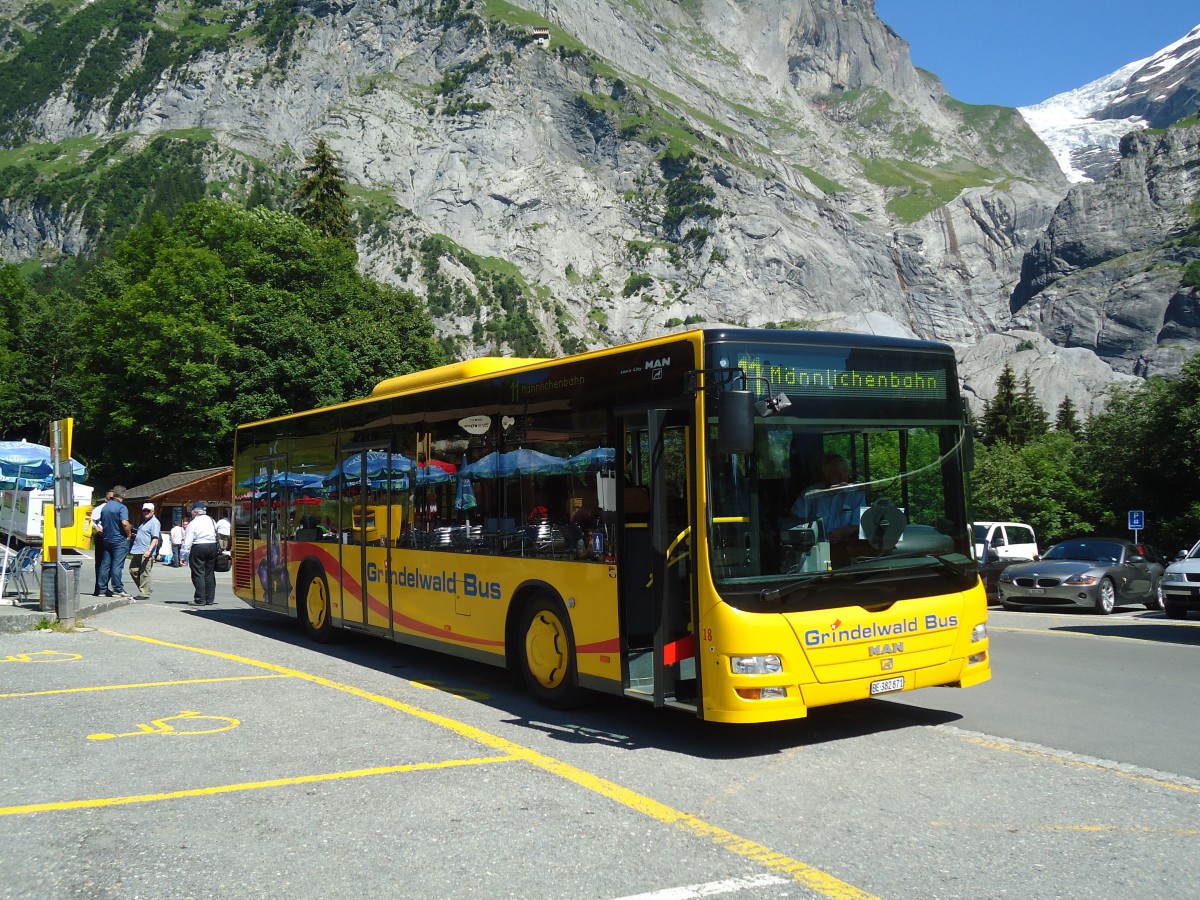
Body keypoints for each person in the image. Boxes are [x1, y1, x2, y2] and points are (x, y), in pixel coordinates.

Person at [790, 454, 866, 544]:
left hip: (845, 545)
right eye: (836, 475)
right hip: (816, 545)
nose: (842, 478)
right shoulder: (811, 494)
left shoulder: (856, 495)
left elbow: (859, 526)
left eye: (844, 473)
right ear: (826, 476)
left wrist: (842, 533)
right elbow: (796, 520)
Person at [180, 500, 220, 606]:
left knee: (198, 573)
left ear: (195, 512)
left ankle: (200, 599)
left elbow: (187, 542)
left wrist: (183, 556)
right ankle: (209, 598)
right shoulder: (212, 520)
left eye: (191, 511)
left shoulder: (193, 523)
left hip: (199, 546)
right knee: (209, 573)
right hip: (212, 546)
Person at [96, 487, 132, 598]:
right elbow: (124, 523)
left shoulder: (105, 507)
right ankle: (118, 589)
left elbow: (101, 523)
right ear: (123, 495)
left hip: (107, 538)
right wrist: (129, 535)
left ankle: (102, 589)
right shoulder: (122, 507)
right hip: (119, 539)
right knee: (117, 565)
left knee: (105, 564)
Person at [128, 502, 162, 600]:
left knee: (145, 573)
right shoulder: (145, 522)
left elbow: (155, 538)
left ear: (153, 511)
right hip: (138, 550)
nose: (146, 512)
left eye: (148, 511)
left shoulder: (154, 522)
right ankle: (145, 589)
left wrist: (149, 550)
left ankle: (144, 593)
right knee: (133, 570)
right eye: (144, 510)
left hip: (146, 551)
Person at [91, 489, 113, 596]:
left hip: (112, 538)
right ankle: (98, 588)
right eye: (110, 498)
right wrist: (97, 529)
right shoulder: (100, 508)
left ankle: (104, 586)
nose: (112, 500)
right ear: (106, 499)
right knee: (100, 563)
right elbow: (90, 520)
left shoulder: (117, 508)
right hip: (101, 537)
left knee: (110, 564)